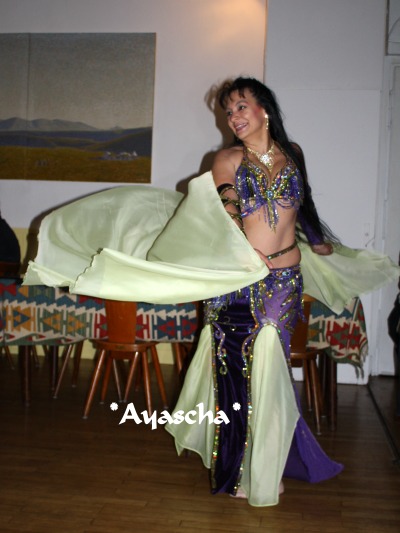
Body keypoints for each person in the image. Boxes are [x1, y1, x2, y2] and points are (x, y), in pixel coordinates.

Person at [166, 77, 343, 506]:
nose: (234, 117)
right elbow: (227, 207)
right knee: (233, 376)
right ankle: (237, 469)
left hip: (283, 279)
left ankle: (269, 466)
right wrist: (243, 250)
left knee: (270, 370)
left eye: (241, 107)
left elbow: (304, 203)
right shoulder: (225, 158)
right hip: (236, 280)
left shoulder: (293, 153)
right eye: (228, 112)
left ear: (264, 109)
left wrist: (318, 239)